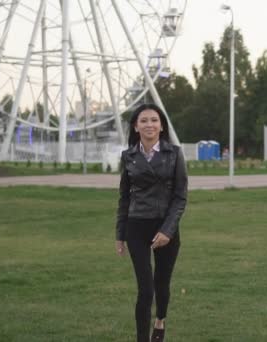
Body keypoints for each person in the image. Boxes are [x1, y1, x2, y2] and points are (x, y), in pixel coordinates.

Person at [115, 103, 188, 342]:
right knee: (145, 290)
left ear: (161, 125)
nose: (149, 124)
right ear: (136, 127)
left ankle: (160, 322)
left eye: (154, 120)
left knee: (161, 285)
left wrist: (167, 230)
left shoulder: (175, 153)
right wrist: (120, 234)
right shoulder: (128, 156)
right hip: (137, 226)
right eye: (144, 121)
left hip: (166, 227)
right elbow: (124, 196)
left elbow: (180, 197)